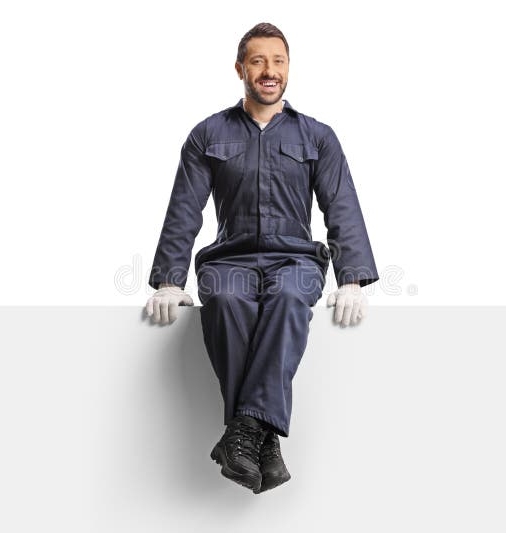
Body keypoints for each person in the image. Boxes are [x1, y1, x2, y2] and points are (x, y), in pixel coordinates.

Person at [145, 22, 379, 493]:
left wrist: (351, 278)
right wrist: (169, 280)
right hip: (228, 261)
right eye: (258, 61)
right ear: (240, 69)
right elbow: (185, 208)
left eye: (278, 61)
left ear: (288, 68)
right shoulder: (207, 134)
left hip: (295, 260)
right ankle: (263, 442)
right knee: (226, 302)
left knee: (290, 298)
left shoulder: (318, 136)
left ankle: (242, 433)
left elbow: (341, 205)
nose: (269, 71)